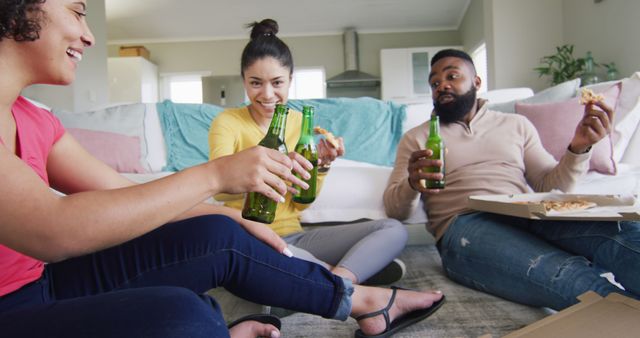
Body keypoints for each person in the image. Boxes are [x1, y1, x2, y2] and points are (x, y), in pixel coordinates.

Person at [0, 2, 447, 338]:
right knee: (189, 315)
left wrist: (226, 218)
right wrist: (217, 177)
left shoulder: (37, 119)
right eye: (77, 12)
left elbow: (117, 191)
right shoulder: (229, 123)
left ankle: (359, 299)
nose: (89, 35)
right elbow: (53, 232)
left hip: (44, 281)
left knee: (219, 242)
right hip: (12, 305)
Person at [384, 48, 640, 311]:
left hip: (525, 211)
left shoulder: (516, 125)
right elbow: (395, 210)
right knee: (570, 276)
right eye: (435, 83)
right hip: (464, 226)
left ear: (476, 82)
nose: (442, 85)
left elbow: (552, 188)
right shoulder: (417, 138)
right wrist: (412, 184)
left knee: (625, 234)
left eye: (452, 76)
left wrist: (579, 148)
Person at [209, 18, 408, 286]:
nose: (267, 94)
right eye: (256, 83)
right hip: (249, 237)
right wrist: (270, 167)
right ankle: (343, 273)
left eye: (277, 82)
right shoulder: (228, 122)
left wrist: (320, 167)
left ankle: (338, 280)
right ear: (244, 81)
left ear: (291, 80)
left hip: (293, 235)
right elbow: (218, 189)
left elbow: (302, 204)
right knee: (276, 261)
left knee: (393, 230)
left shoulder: (298, 124)